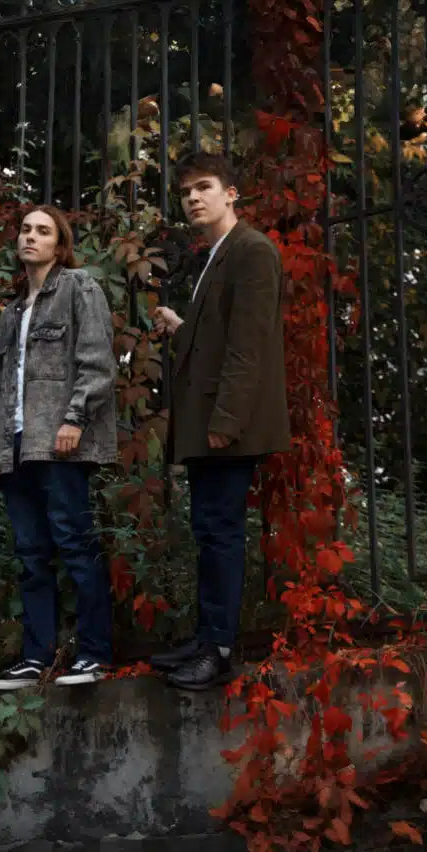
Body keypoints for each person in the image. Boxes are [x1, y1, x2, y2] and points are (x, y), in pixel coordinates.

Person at [150, 152, 290, 691]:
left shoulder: (252, 250)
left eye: (204, 187)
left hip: (227, 425)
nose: (193, 198)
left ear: (232, 193)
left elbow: (248, 346)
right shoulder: (217, 254)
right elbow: (218, 335)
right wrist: (181, 326)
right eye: (186, 192)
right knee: (209, 531)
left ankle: (220, 651)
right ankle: (207, 638)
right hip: (211, 421)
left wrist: (227, 420)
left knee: (221, 532)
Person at [0, 205, 117, 690]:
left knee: (75, 544)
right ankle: (35, 658)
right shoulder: (13, 311)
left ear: (60, 244)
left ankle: (94, 653)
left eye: (42, 231)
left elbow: (97, 362)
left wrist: (75, 418)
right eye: (25, 230)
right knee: (30, 554)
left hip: (58, 443)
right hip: (13, 446)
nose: (30, 237)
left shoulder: (79, 287)